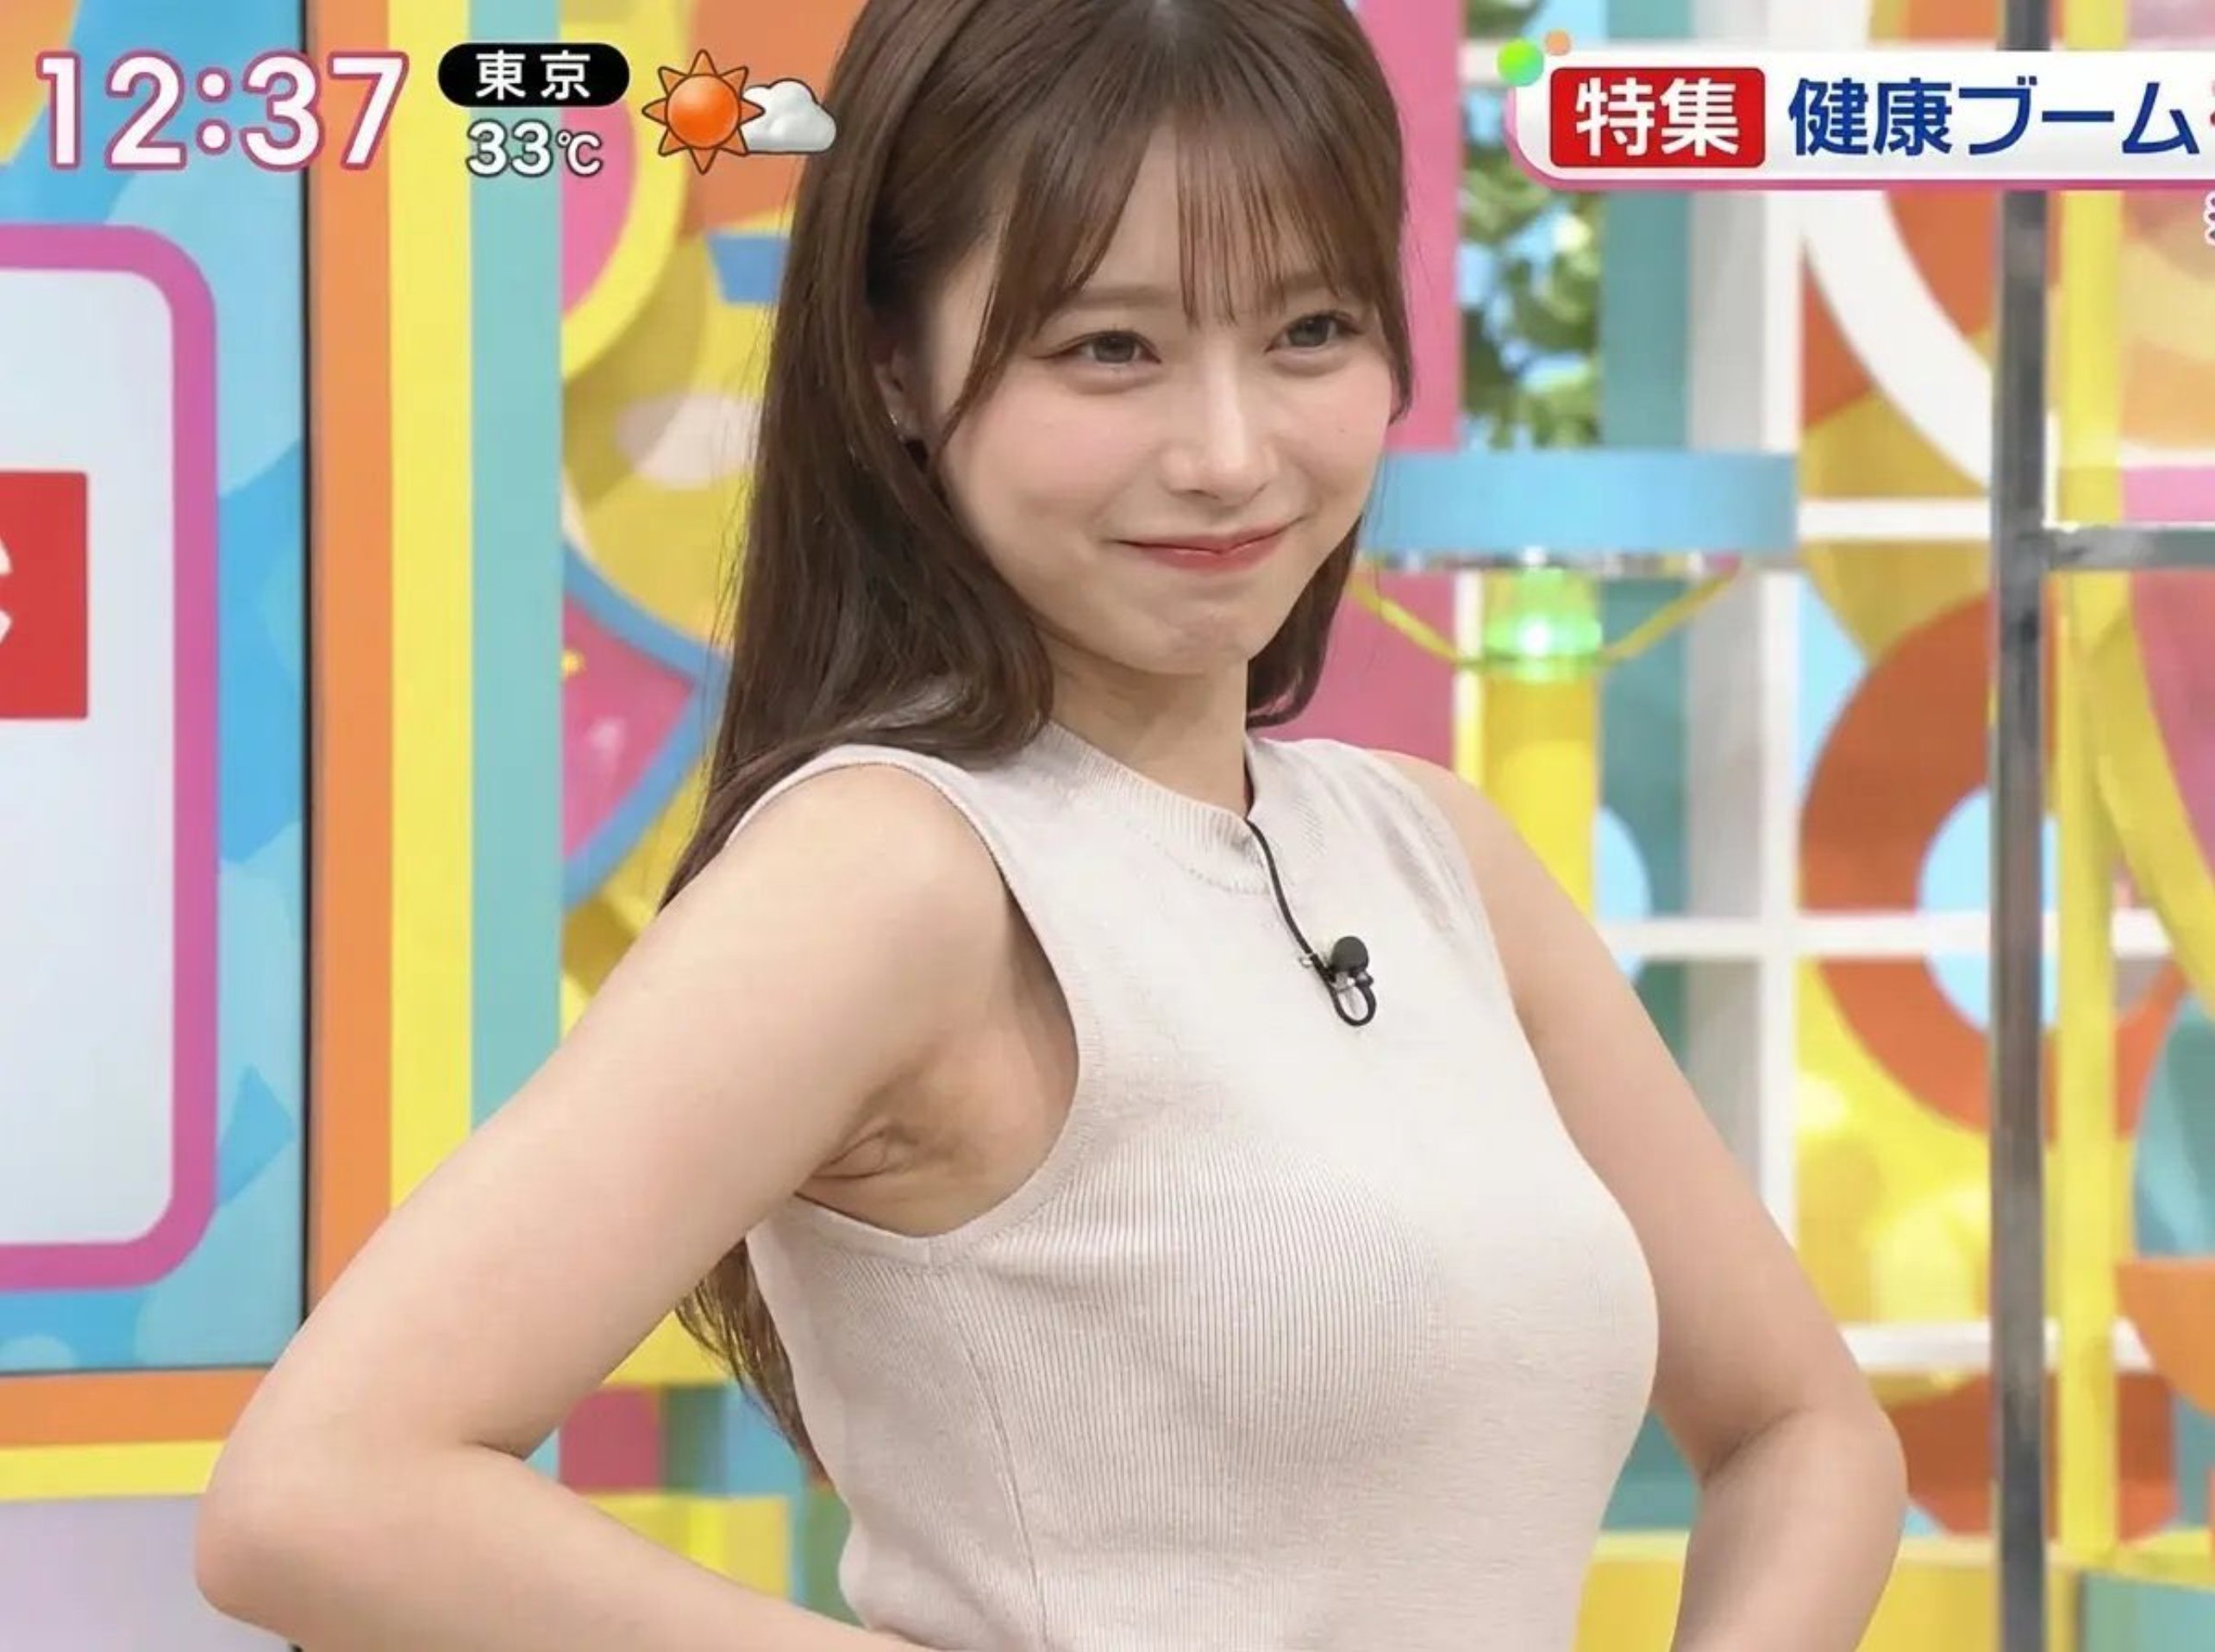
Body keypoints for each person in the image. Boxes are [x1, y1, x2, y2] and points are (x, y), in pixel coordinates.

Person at [195, 0, 1906, 1646]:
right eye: (1110, 350)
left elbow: (1804, 1430)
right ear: (896, 370)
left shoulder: (1434, 854)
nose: (1228, 452)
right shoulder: (893, 871)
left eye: (1308, 332)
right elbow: (321, 1495)